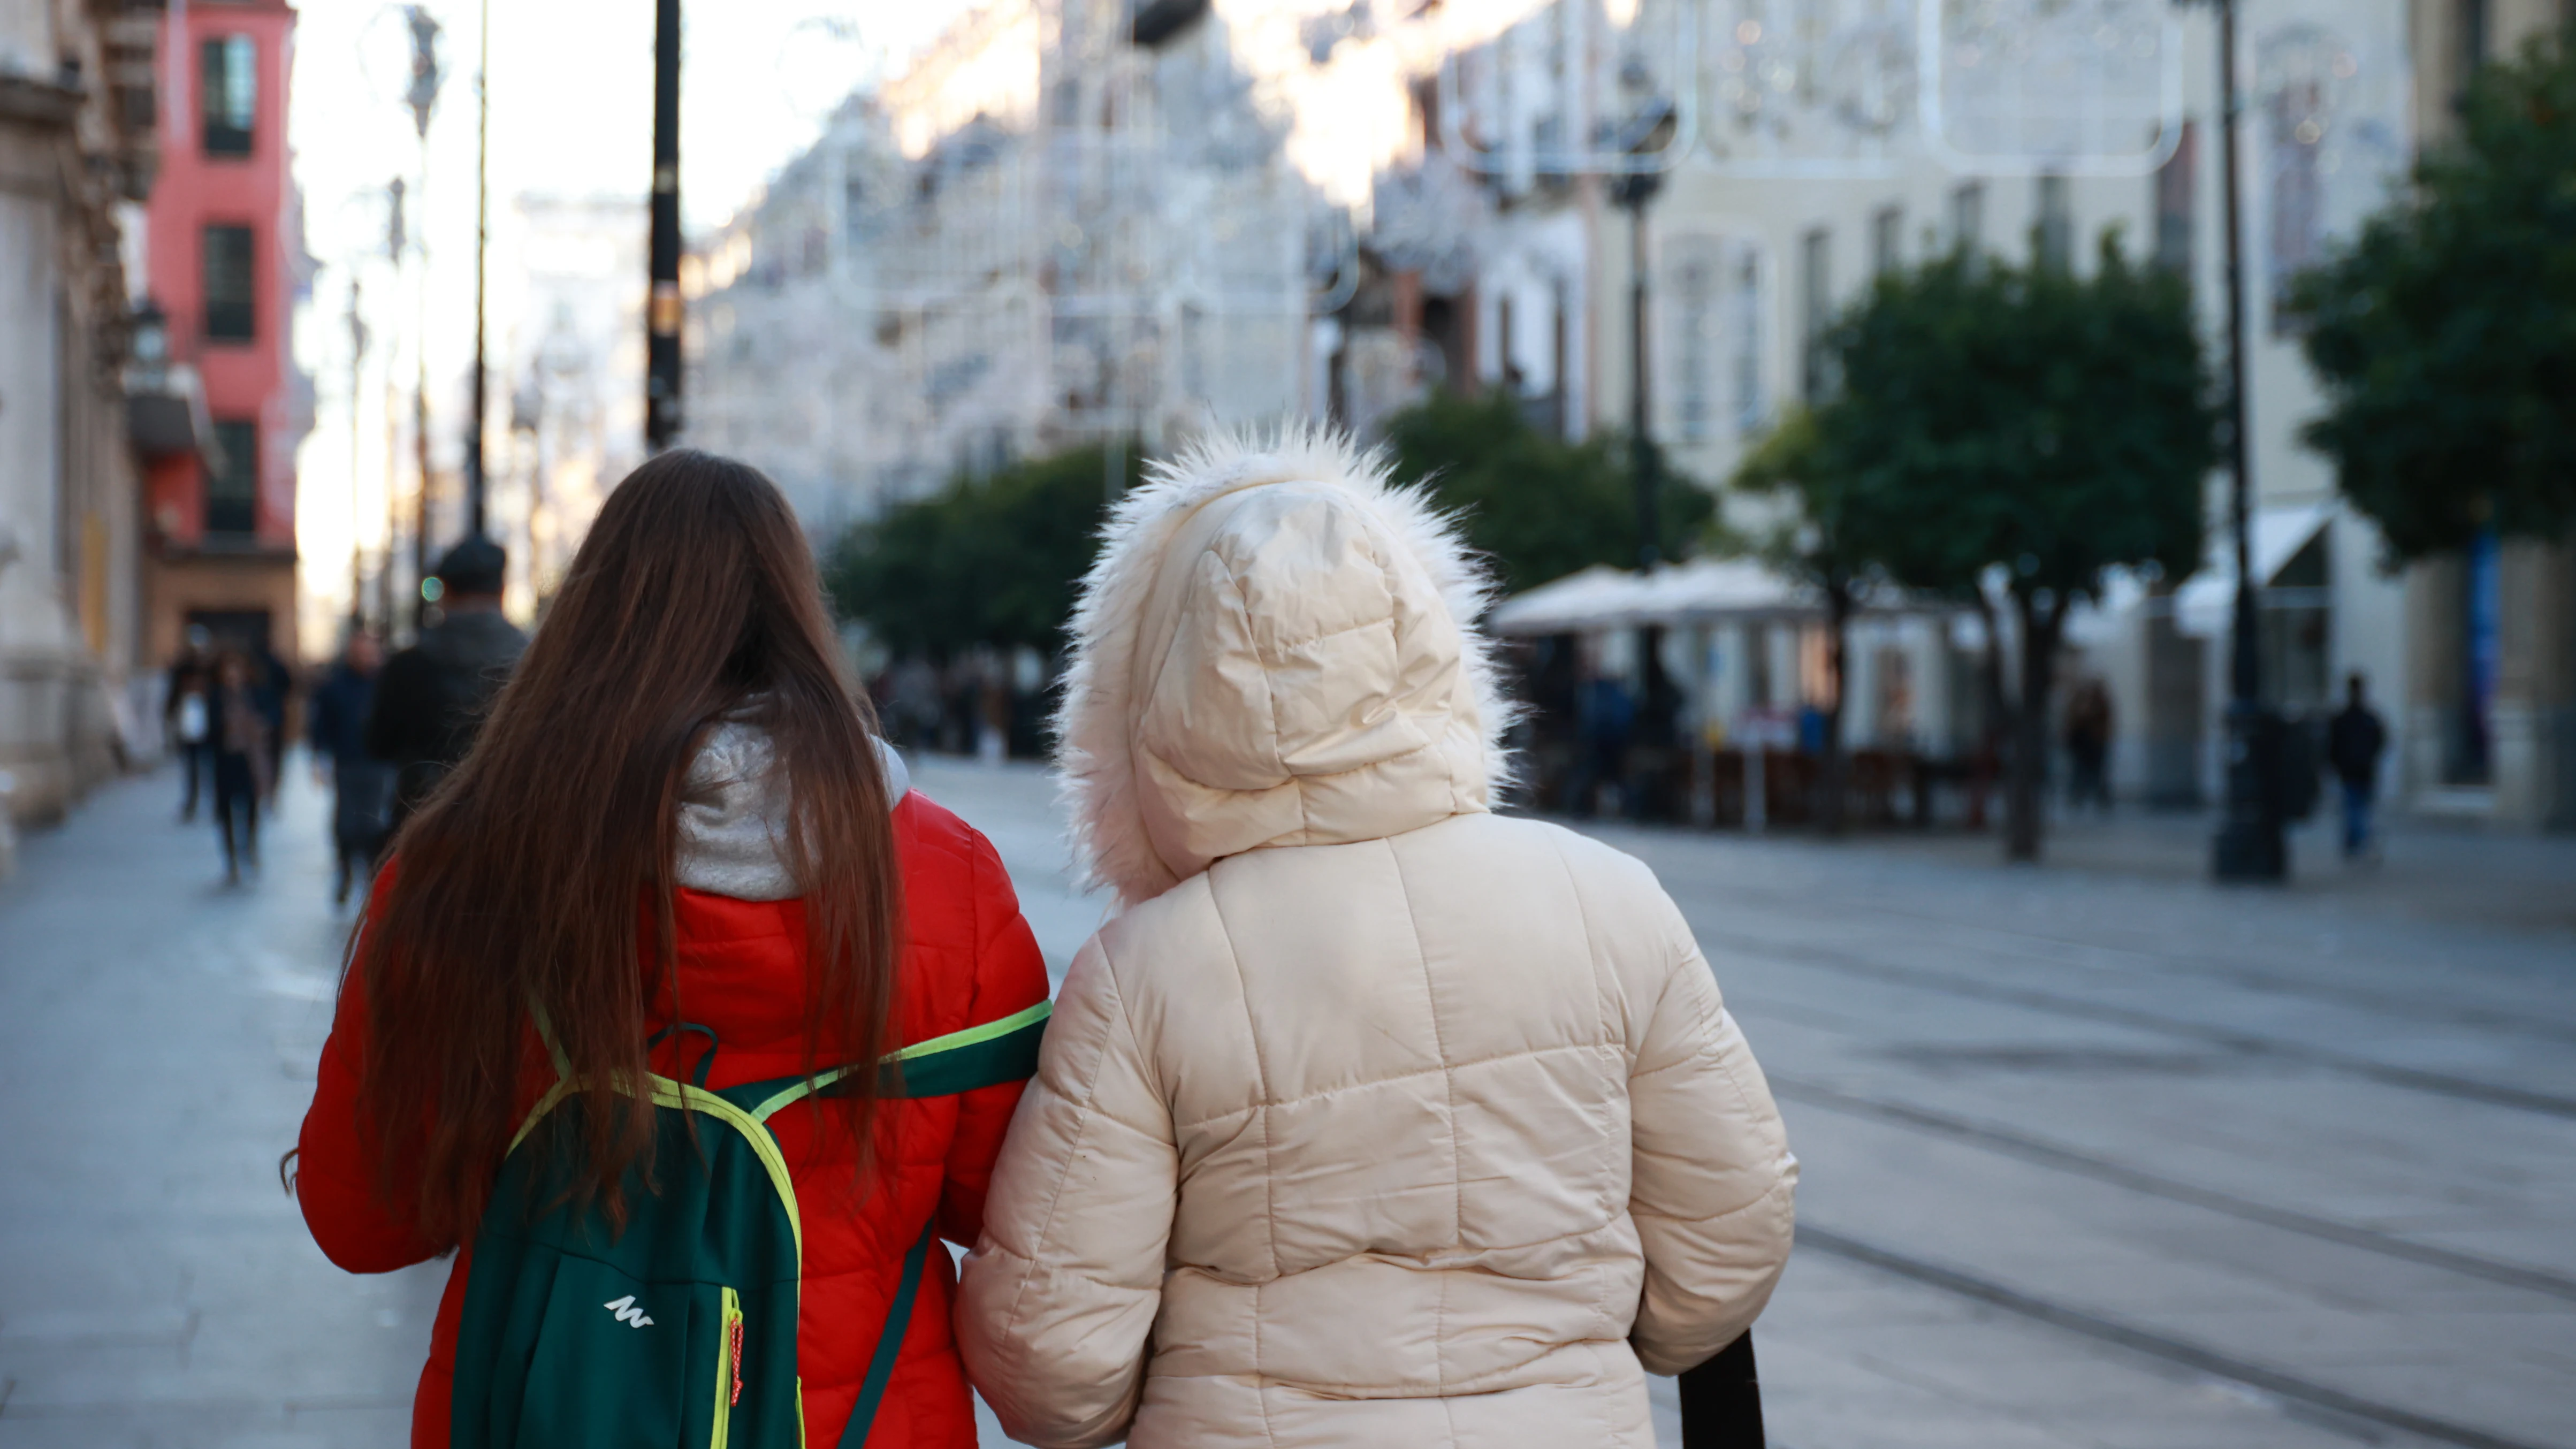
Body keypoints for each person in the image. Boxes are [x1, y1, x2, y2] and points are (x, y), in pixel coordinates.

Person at [957, 430, 1797, 1448]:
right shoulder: (1609, 899)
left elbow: (1052, 1355)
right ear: (1429, 643)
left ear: (1153, 691)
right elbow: (1728, 1229)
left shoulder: (1146, 972)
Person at [291, 451, 1048, 1448]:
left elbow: (365, 1217)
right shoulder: (948, 875)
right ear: (796, 612)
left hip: (548, 1405)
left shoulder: (464, 864)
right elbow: (997, 1204)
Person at [365, 535, 528, 837]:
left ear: (446, 593)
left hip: (422, 829)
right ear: (502, 591)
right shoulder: (535, 661)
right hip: (512, 832)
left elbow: (379, 744)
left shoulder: (408, 664)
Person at [308, 631, 392, 903]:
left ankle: (370, 875)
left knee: (372, 822)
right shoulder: (335, 686)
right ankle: (345, 869)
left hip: (379, 763)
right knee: (346, 822)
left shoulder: (386, 685)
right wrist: (319, 757)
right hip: (347, 762)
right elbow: (321, 726)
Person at [209, 651, 272, 883]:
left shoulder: (254, 695)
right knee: (226, 811)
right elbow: (209, 730)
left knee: (251, 807)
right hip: (225, 762)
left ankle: (250, 847)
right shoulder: (216, 698)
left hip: (249, 762)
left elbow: (270, 718)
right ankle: (231, 858)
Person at [2327, 672, 2389, 859]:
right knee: (2360, 808)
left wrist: (2335, 763)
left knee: (2353, 808)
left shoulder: (2344, 719)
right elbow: (2380, 740)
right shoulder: (2367, 718)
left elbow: (2332, 745)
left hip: (2352, 770)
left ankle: (2356, 841)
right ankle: (2358, 841)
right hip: (2362, 769)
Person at [165, 626, 215, 822]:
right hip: (188, 719)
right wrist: (170, 715)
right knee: (191, 765)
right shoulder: (182, 667)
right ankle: (191, 802)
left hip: (207, 721)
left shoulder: (211, 668)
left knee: (208, 765)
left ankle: (210, 802)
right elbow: (173, 692)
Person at [2063, 677, 2114, 813]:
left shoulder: (2099, 704)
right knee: (2080, 772)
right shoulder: (2078, 704)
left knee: (2096, 773)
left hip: (2095, 743)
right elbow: (2073, 722)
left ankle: (2099, 799)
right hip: (2083, 744)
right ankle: (2078, 797)